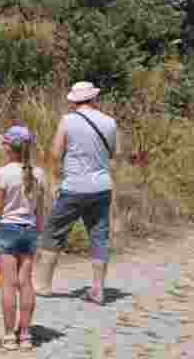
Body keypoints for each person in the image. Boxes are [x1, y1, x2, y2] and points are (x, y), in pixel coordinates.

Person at [33, 81, 117, 305]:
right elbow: (113, 153)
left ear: (74, 101)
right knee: (99, 235)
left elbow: (55, 153)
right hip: (102, 186)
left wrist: (53, 181)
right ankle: (98, 288)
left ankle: (43, 284)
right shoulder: (110, 122)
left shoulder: (68, 121)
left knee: (54, 231)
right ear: (93, 99)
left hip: (74, 187)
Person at [0, 125, 46, 350]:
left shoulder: (2, 173)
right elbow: (40, 209)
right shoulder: (38, 174)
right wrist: (38, 232)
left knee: (8, 285)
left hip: (7, 230)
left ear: (9, 147)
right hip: (29, 231)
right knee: (26, 283)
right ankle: (26, 334)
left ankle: (10, 335)